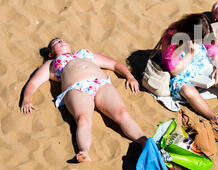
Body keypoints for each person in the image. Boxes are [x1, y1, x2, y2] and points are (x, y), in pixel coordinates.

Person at [20, 38, 148, 162]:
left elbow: (114, 64)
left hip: (100, 84)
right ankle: (84, 151)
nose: (61, 41)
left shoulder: (84, 53)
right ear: (51, 53)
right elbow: (34, 82)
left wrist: (129, 76)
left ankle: (143, 142)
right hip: (77, 89)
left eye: (62, 40)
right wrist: (26, 99)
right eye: (56, 42)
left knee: (122, 113)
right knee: (83, 119)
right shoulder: (52, 64)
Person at [154, 13, 218, 134]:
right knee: (188, 91)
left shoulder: (202, 30)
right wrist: (190, 53)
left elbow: (214, 52)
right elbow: (174, 71)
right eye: (200, 39)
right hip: (182, 73)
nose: (203, 41)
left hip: (200, 66)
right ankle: (215, 118)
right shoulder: (172, 38)